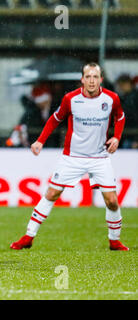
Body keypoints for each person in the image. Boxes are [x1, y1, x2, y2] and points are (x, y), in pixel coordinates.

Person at [10, 62, 129, 251]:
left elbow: (120, 117)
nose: (91, 81)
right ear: (82, 79)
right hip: (72, 157)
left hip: (100, 158)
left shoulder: (111, 98)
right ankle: (28, 236)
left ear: (101, 80)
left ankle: (114, 241)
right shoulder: (71, 99)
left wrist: (117, 136)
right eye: (88, 77)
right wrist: (40, 140)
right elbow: (55, 118)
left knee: (112, 201)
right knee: (51, 193)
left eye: (95, 77)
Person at [115, 74, 138, 149]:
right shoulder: (124, 98)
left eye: (122, 85)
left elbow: (134, 119)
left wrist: (136, 139)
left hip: (132, 136)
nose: (120, 87)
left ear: (128, 84)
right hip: (126, 135)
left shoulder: (134, 98)